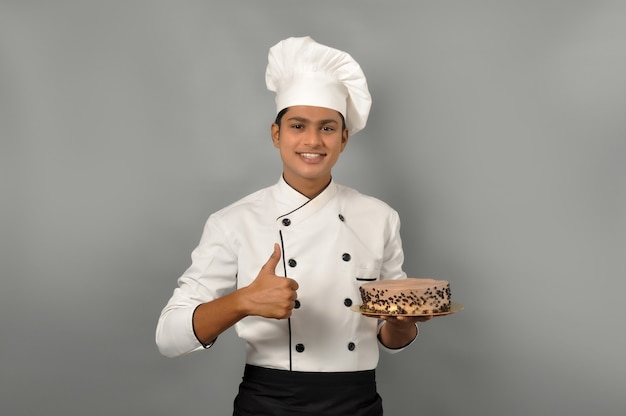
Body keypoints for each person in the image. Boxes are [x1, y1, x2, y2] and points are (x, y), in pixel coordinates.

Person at [156, 36, 431, 416]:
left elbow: (392, 335)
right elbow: (169, 337)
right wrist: (242, 301)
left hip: (358, 402)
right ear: (276, 134)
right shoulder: (234, 221)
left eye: (328, 128)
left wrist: (403, 324)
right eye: (298, 125)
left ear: (344, 138)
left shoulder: (380, 217)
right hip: (270, 402)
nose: (312, 141)